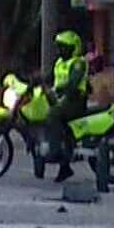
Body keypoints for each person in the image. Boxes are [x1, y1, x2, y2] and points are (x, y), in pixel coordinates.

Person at [47, 29, 89, 182]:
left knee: (53, 115)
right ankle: (64, 167)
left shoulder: (78, 63)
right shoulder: (59, 62)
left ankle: (55, 151)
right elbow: (51, 78)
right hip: (62, 99)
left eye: (63, 47)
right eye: (59, 47)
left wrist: (59, 89)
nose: (60, 50)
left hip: (74, 100)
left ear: (73, 48)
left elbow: (73, 83)